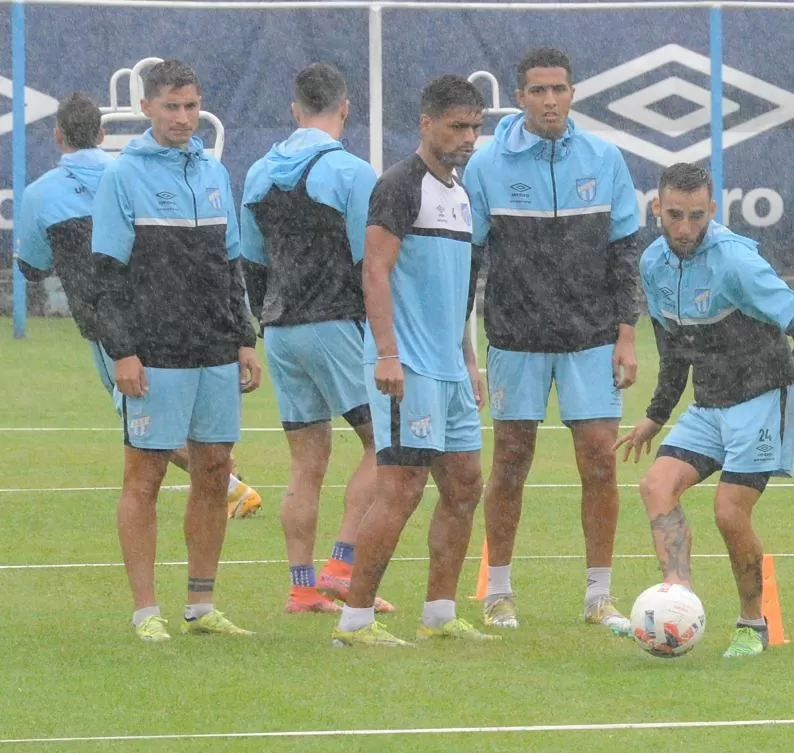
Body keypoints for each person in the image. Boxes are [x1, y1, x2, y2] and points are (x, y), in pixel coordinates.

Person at [615, 162, 794, 657]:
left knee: (729, 512)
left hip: (762, 398)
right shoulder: (652, 263)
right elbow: (671, 347)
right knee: (656, 485)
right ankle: (676, 604)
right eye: (675, 215)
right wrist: (656, 413)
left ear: (713, 210)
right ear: (657, 210)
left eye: (696, 215)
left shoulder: (736, 261)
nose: (686, 227)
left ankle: (751, 625)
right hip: (710, 403)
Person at [16, 92, 263, 522]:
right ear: (101, 133)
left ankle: (228, 485)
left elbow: (32, 269)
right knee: (167, 414)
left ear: (57, 136)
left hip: (107, 323)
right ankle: (218, 469)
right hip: (166, 312)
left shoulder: (42, 194)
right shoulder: (130, 174)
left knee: (142, 421)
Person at [462, 47, 641, 632]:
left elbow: (623, 256)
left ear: (573, 93)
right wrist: (465, 349)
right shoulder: (487, 165)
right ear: (519, 98)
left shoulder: (605, 158)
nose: (550, 101)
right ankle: (500, 592)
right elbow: (470, 259)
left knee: (599, 463)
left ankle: (599, 597)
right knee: (511, 462)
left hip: (591, 340)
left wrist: (626, 336)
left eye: (559, 89)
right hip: (516, 340)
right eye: (538, 91)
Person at [91, 60, 261, 642]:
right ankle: (145, 612)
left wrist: (244, 338)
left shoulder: (215, 171)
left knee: (215, 472)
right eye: (171, 106)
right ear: (147, 109)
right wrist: (123, 352)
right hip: (154, 353)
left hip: (215, 349)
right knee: (146, 476)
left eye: (191, 106)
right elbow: (105, 276)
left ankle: (201, 605)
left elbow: (230, 264)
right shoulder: (122, 175)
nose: (183, 117)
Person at [332, 75, 496, 647]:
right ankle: (354, 621)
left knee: (465, 486)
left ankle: (440, 612)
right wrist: (386, 354)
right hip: (408, 368)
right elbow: (374, 270)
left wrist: (470, 362)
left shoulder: (462, 194)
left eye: (475, 126)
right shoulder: (400, 185)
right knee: (400, 489)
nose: (469, 137)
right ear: (426, 124)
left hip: (449, 371)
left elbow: (459, 292)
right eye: (458, 126)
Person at [239, 62, 394, 615]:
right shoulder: (352, 172)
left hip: (281, 331)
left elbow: (251, 264)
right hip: (336, 326)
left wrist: (263, 325)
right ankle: (341, 567)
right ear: (346, 108)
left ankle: (302, 587)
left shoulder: (258, 172)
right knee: (388, 444)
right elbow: (369, 264)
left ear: (293, 109)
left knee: (306, 464)